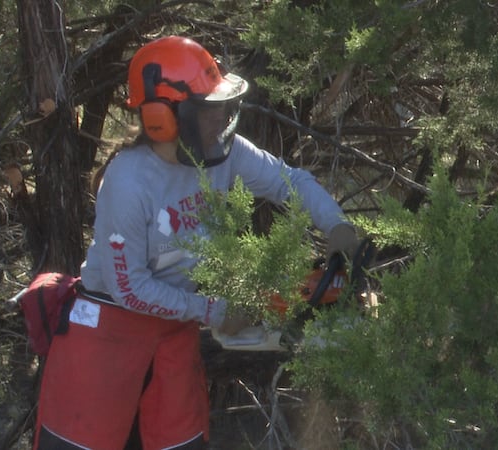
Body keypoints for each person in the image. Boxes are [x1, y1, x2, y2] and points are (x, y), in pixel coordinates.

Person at [32, 35, 359, 450]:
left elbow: (288, 181)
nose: (223, 117)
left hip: (173, 333)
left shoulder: (224, 152)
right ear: (163, 118)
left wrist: (336, 225)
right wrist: (214, 311)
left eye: (224, 106)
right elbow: (128, 286)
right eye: (210, 109)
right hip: (105, 338)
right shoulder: (129, 182)